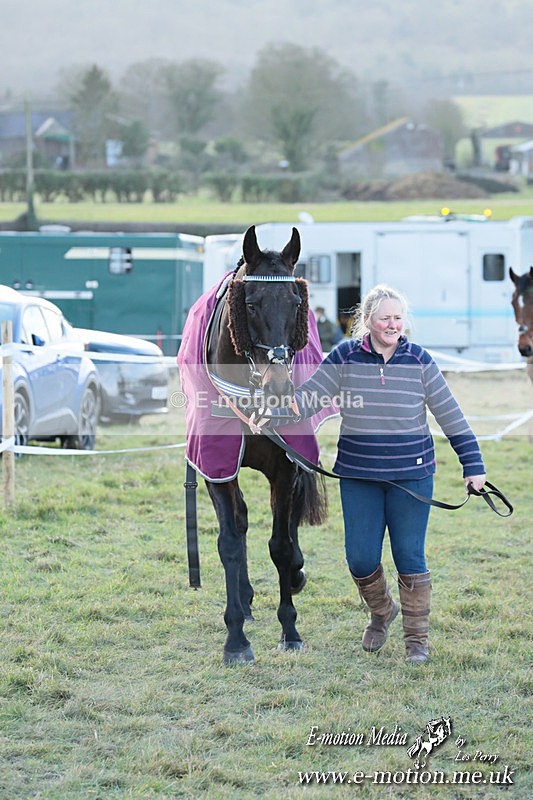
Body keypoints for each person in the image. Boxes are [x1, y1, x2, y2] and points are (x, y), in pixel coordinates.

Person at [250, 284, 486, 664]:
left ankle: (416, 641)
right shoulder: (345, 356)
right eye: (384, 318)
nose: (392, 324)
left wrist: (473, 466)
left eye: (397, 318)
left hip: (411, 476)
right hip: (360, 475)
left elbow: (450, 415)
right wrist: (273, 410)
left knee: (410, 556)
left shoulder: (420, 360)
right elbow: (308, 398)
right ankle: (381, 612)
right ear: (368, 321)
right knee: (360, 560)